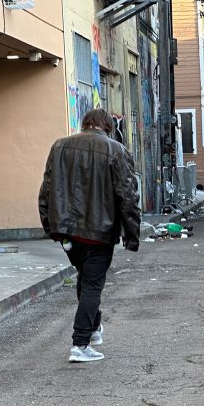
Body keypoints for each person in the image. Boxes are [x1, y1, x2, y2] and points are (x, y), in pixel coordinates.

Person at [38, 108, 141, 363]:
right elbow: (128, 196)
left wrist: (51, 227)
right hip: (99, 232)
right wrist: (131, 235)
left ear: (85, 124)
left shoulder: (60, 147)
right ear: (108, 127)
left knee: (86, 280)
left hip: (67, 233)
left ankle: (93, 329)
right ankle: (80, 344)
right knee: (92, 285)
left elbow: (46, 190)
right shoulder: (116, 150)